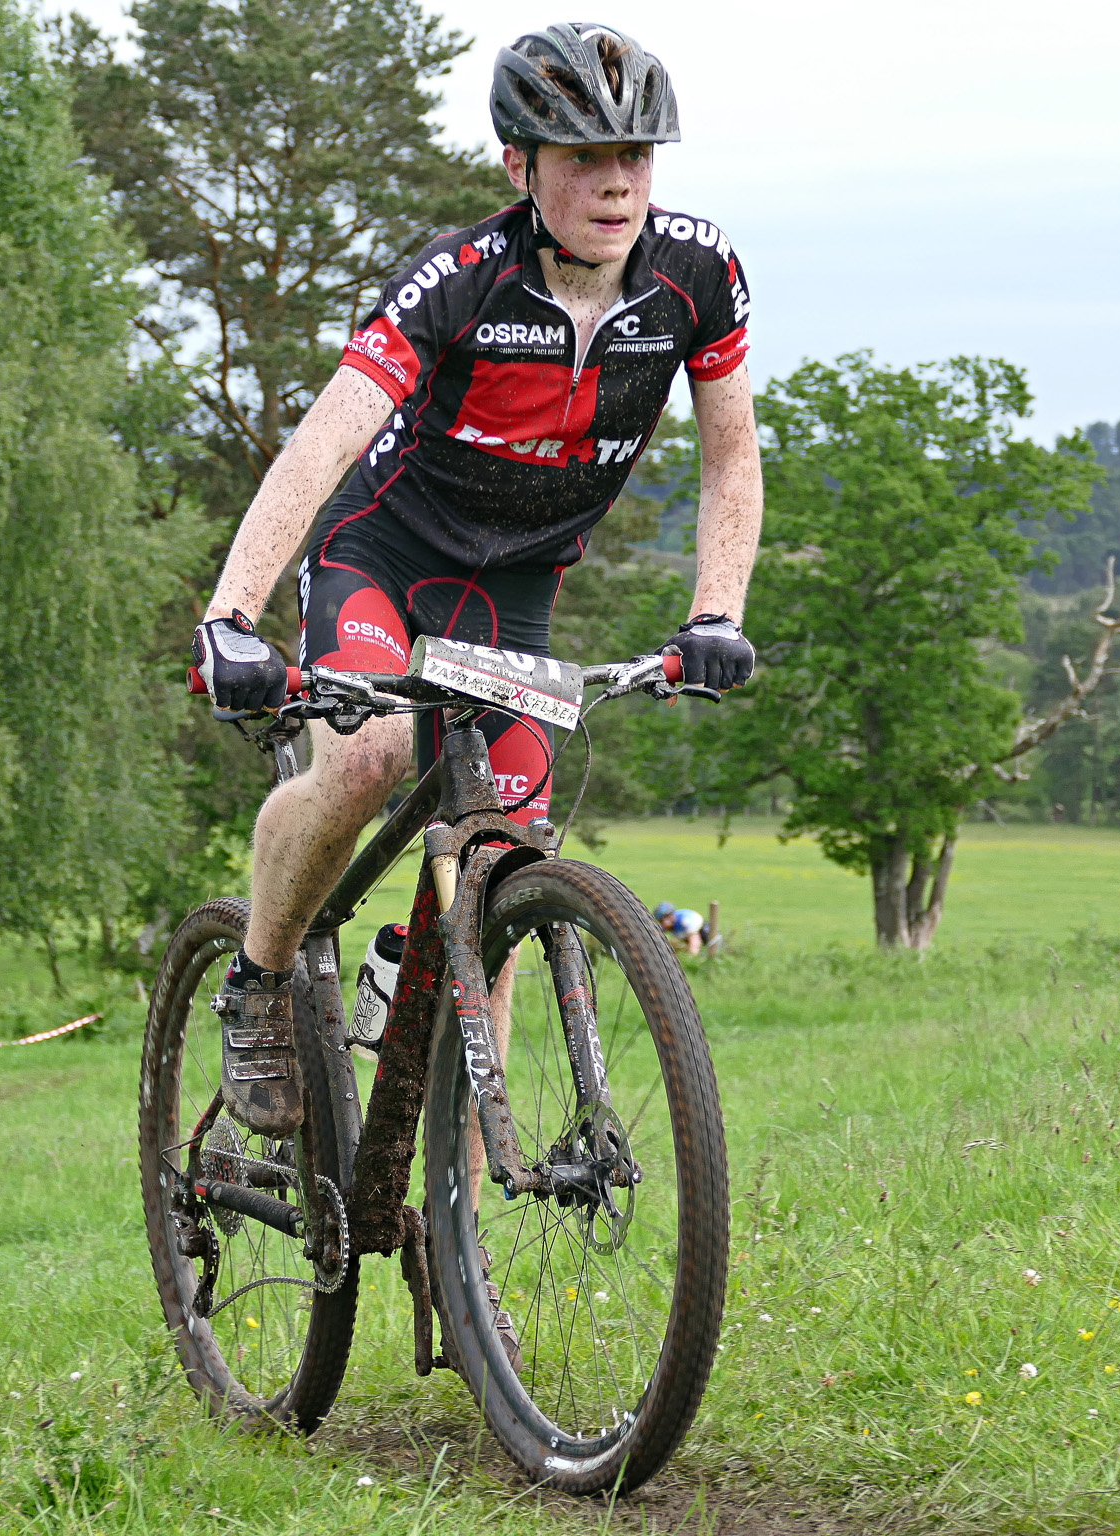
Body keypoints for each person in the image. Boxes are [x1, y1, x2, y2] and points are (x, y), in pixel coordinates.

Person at [190, 23, 763, 1137]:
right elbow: (325, 441)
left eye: (635, 156)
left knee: (500, 869)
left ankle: (449, 1196)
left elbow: (730, 453)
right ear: (519, 165)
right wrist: (231, 616)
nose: (616, 184)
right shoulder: (458, 278)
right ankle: (260, 977)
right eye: (583, 159)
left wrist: (717, 612)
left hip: (515, 594)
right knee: (368, 759)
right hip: (383, 557)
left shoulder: (698, 276)